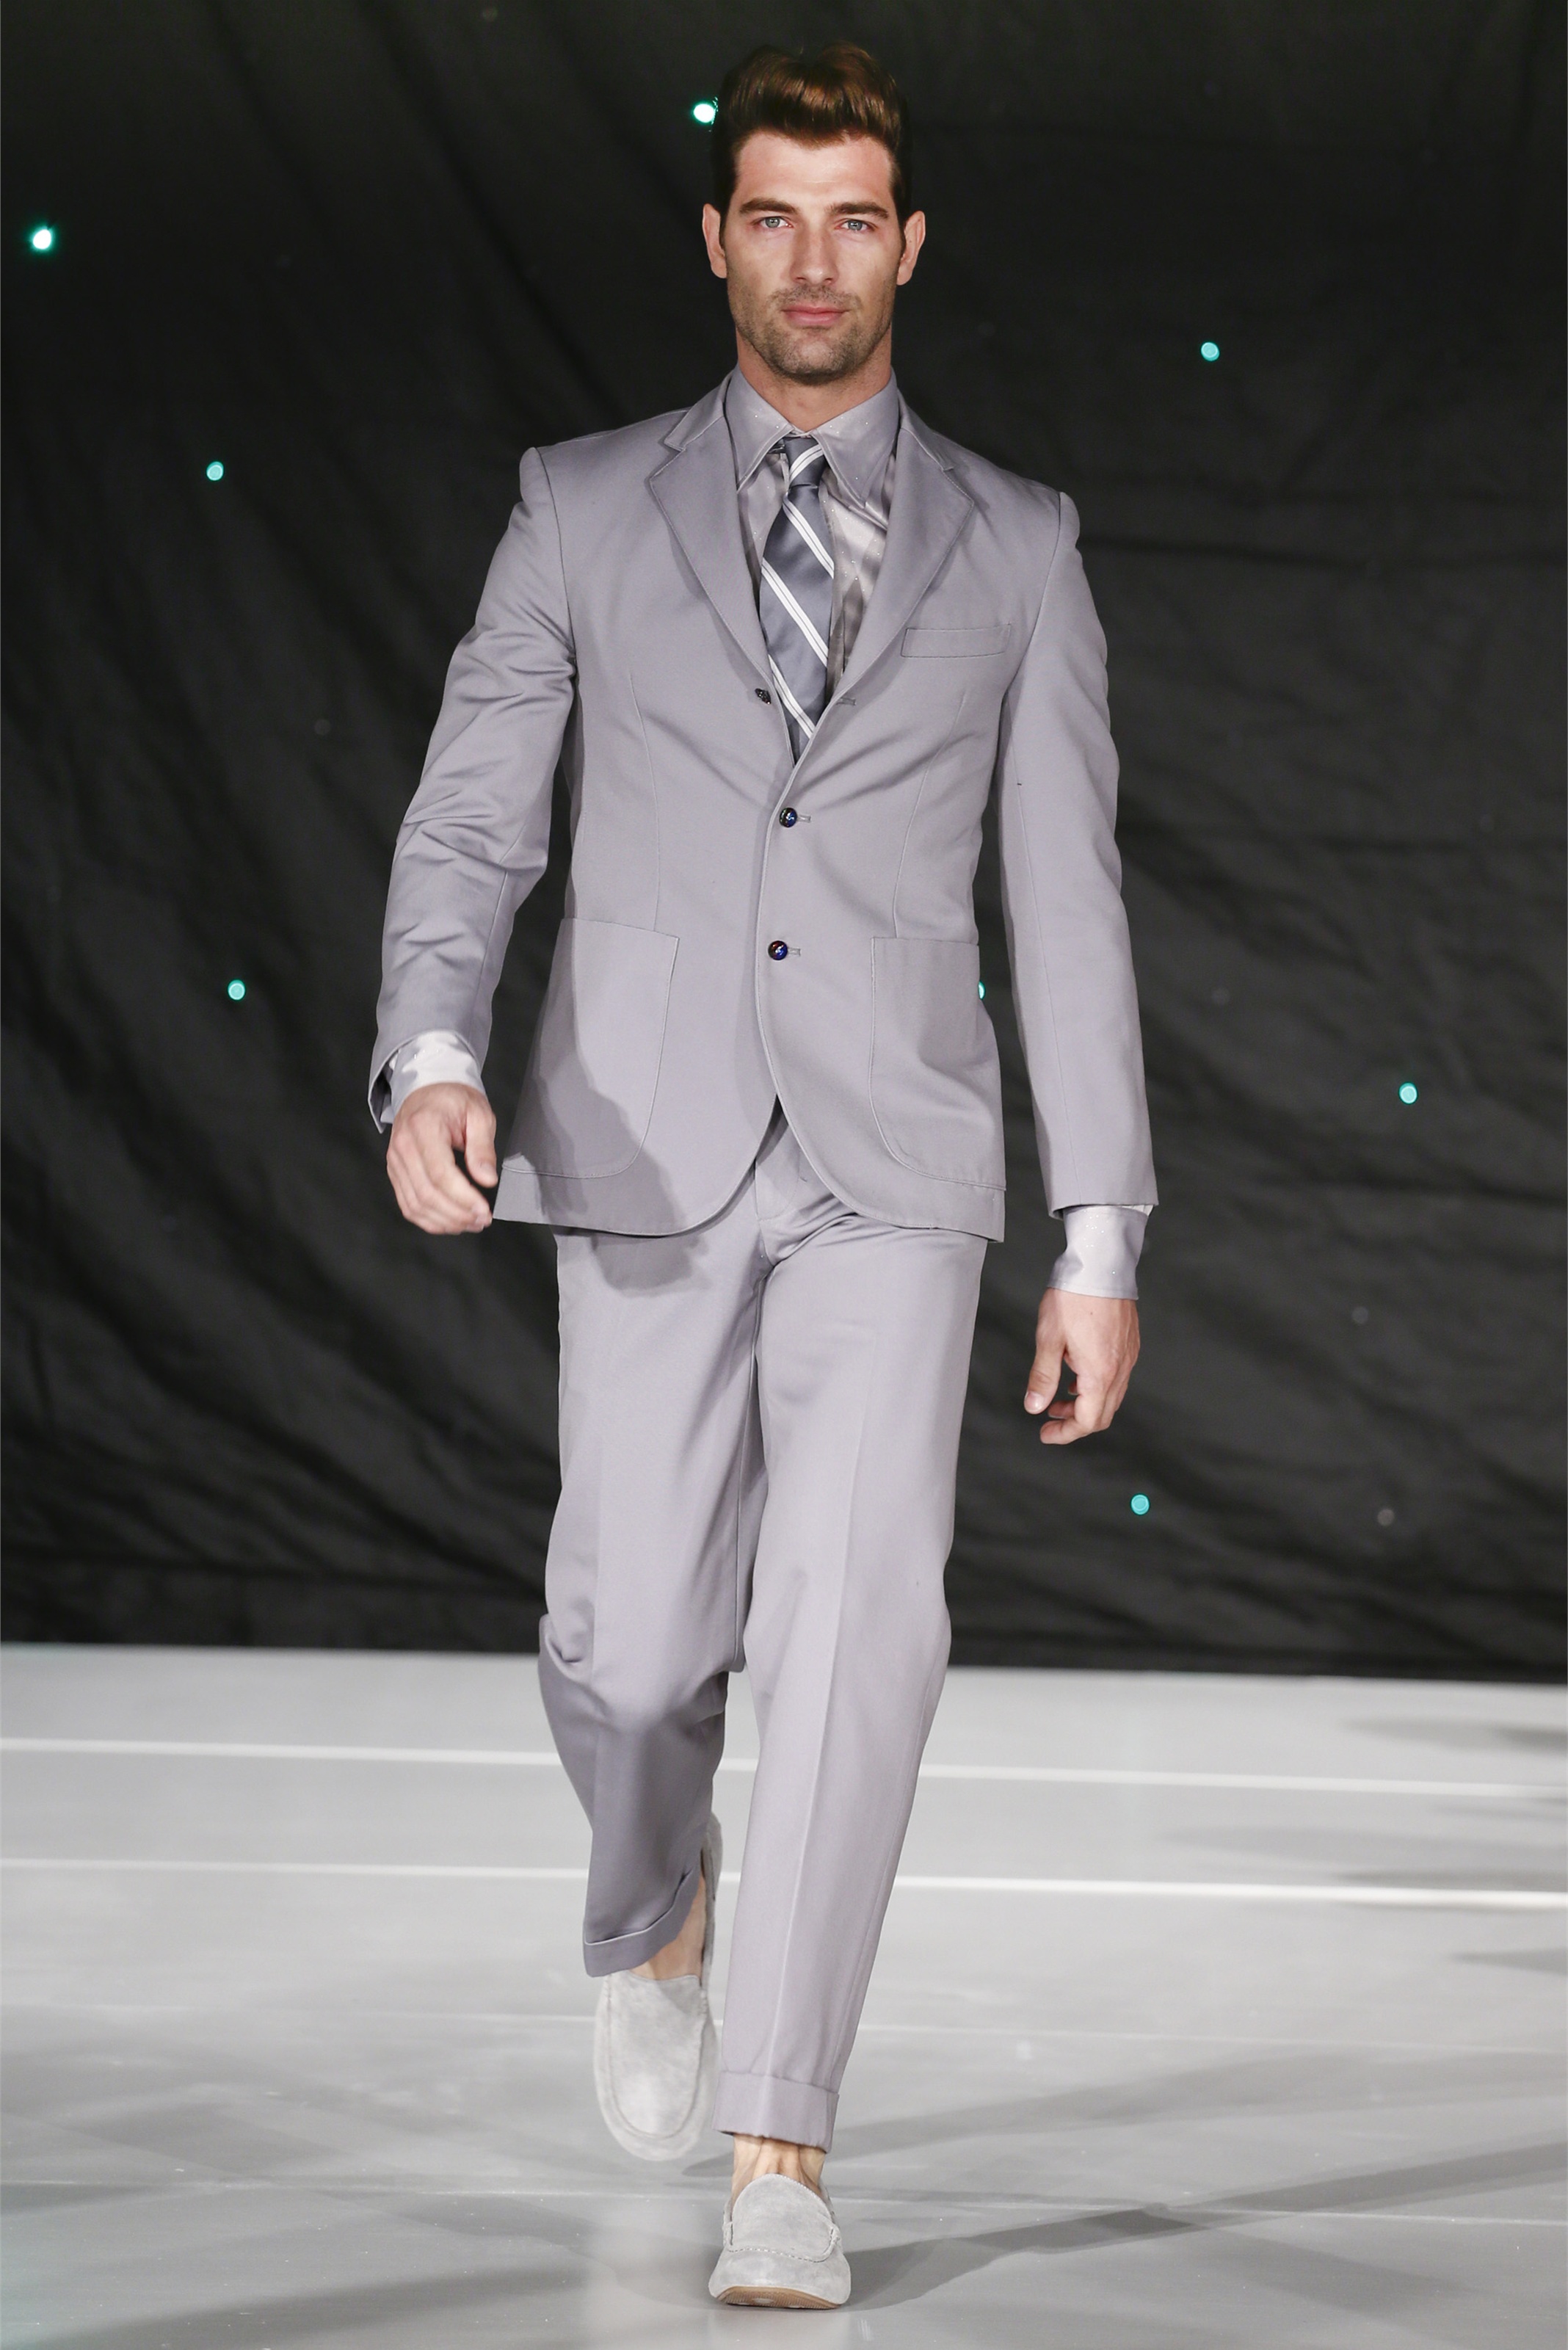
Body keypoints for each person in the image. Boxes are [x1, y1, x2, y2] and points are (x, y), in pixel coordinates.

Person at [371, 40, 1155, 2312]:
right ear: (718, 240)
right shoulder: (578, 507)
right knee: (628, 1655)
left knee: (858, 1618)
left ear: (908, 246)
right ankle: (654, 1907)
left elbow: (1070, 902)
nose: (815, 261)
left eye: (854, 219)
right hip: (638, 1133)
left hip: (895, 1161)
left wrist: (1099, 1228)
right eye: (775, 217)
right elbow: (472, 812)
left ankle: (783, 2141)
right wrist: (434, 1051)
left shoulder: (1020, 546)